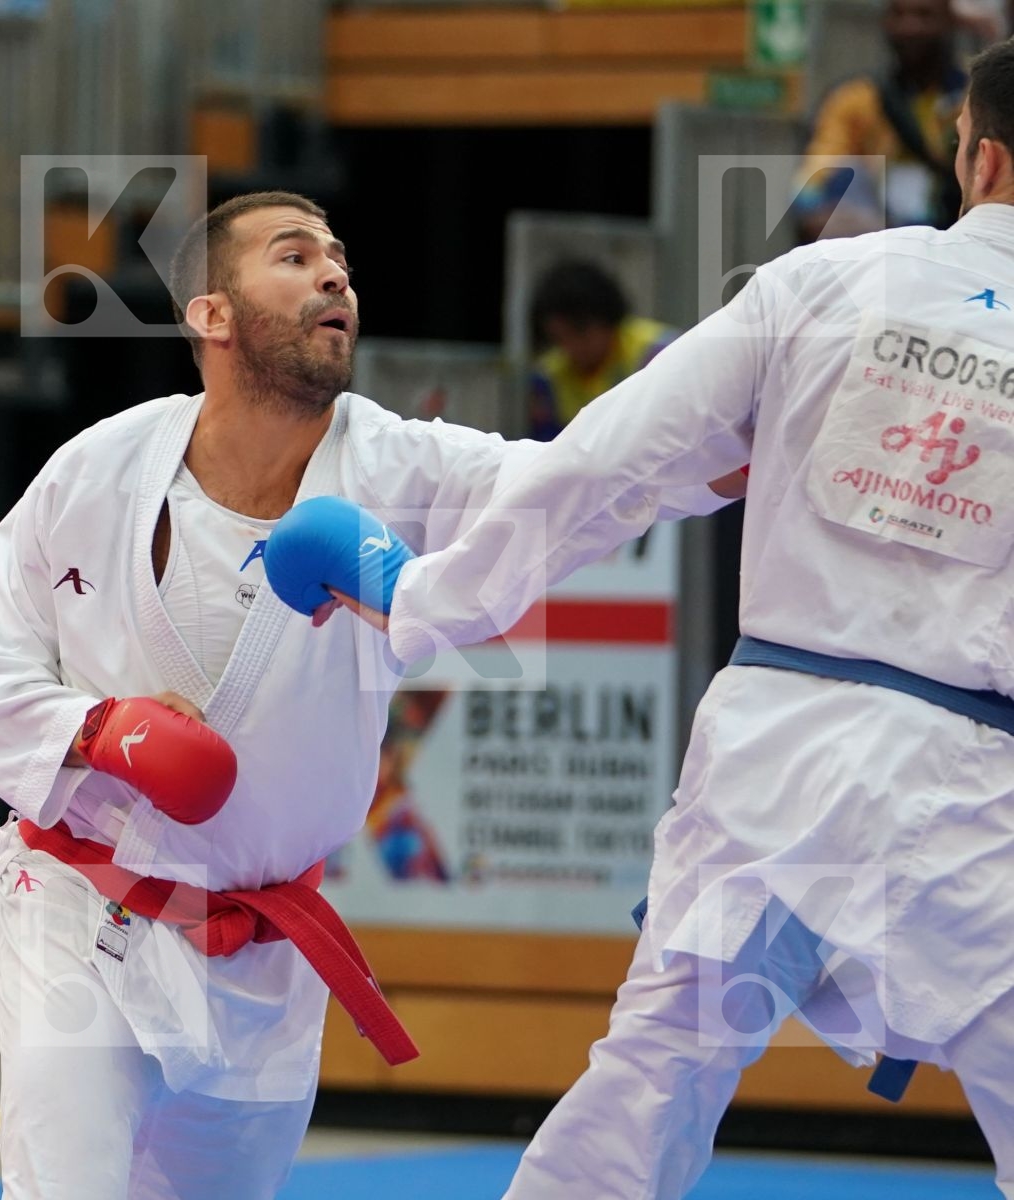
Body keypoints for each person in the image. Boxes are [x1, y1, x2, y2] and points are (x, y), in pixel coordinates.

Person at [317, 38, 1014, 1200]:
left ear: (977, 154)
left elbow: (604, 462)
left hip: (771, 766)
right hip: (972, 787)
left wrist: (428, 599)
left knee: (653, 1078)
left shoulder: (828, 280)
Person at [0, 190, 738, 1199]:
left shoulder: (402, 467)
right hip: (77, 909)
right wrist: (98, 730)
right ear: (212, 315)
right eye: (295, 256)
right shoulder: (94, 471)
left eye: (342, 262)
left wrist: (729, 442)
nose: (335, 277)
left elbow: (578, 482)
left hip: (263, 953)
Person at [799, 0, 966, 236]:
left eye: (924, 15)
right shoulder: (856, 98)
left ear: (950, 21)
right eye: (898, 14)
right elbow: (813, 180)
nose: (909, 27)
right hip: (879, 232)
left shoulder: (975, 96)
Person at [527, 260, 677, 441]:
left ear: (607, 318)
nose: (572, 347)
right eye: (560, 339)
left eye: (580, 332)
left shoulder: (661, 352)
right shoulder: (547, 377)